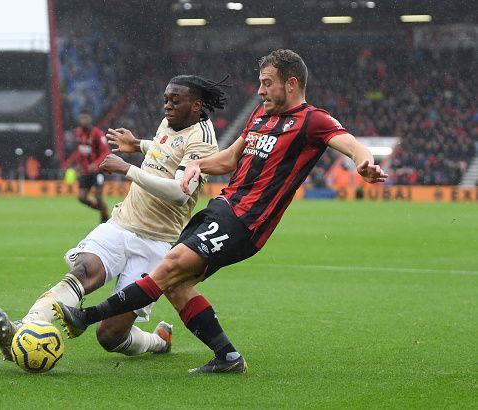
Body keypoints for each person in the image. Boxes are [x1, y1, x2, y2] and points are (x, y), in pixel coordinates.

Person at [54, 49, 389, 374]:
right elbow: (229, 159)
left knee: (168, 266)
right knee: (175, 284)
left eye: (267, 83)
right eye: (260, 82)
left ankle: (85, 317)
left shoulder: (311, 121)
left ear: (291, 84)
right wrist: (196, 165)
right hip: (223, 209)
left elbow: (348, 141)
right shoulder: (260, 115)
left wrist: (363, 162)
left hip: (247, 220)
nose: (260, 90)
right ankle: (227, 356)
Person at [0, 75, 229, 363]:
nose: (167, 105)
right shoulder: (173, 121)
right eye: (165, 99)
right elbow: (166, 149)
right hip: (122, 223)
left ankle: (157, 341)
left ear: (196, 105)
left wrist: (127, 169)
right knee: (83, 271)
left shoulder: (203, 141)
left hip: (158, 242)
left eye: (175, 100)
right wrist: (138, 144)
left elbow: (179, 192)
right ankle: (24, 329)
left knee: (110, 335)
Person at [74, 111, 110, 223]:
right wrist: (79, 166)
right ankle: (102, 209)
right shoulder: (79, 133)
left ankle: (104, 220)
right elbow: (81, 151)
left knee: (98, 195)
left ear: (90, 119)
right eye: (82, 118)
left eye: (86, 118)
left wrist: (96, 164)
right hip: (86, 171)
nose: (83, 120)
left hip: (98, 171)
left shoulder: (97, 134)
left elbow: (106, 152)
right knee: (81, 197)